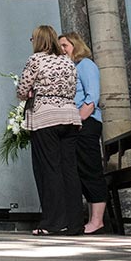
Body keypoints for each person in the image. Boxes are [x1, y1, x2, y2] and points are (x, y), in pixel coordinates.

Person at [17, 24, 82, 235]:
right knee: (69, 170)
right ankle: (74, 223)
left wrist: (30, 93)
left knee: (50, 170)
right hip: (70, 117)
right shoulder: (67, 61)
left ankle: (54, 223)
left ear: (38, 41)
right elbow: (72, 88)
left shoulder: (36, 60)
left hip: (46, 119)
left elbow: (22, 89)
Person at [60, 31, 107, 234]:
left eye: (65, 45)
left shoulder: (86, 65)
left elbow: (92, 96)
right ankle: (89, 219)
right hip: (75, 123)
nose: (62, 50)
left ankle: (97, 221)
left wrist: (79, 119)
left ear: (76, 45)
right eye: (59, 47)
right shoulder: (69, 69)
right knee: (79, 171)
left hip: (86, 122)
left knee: (90, 169)